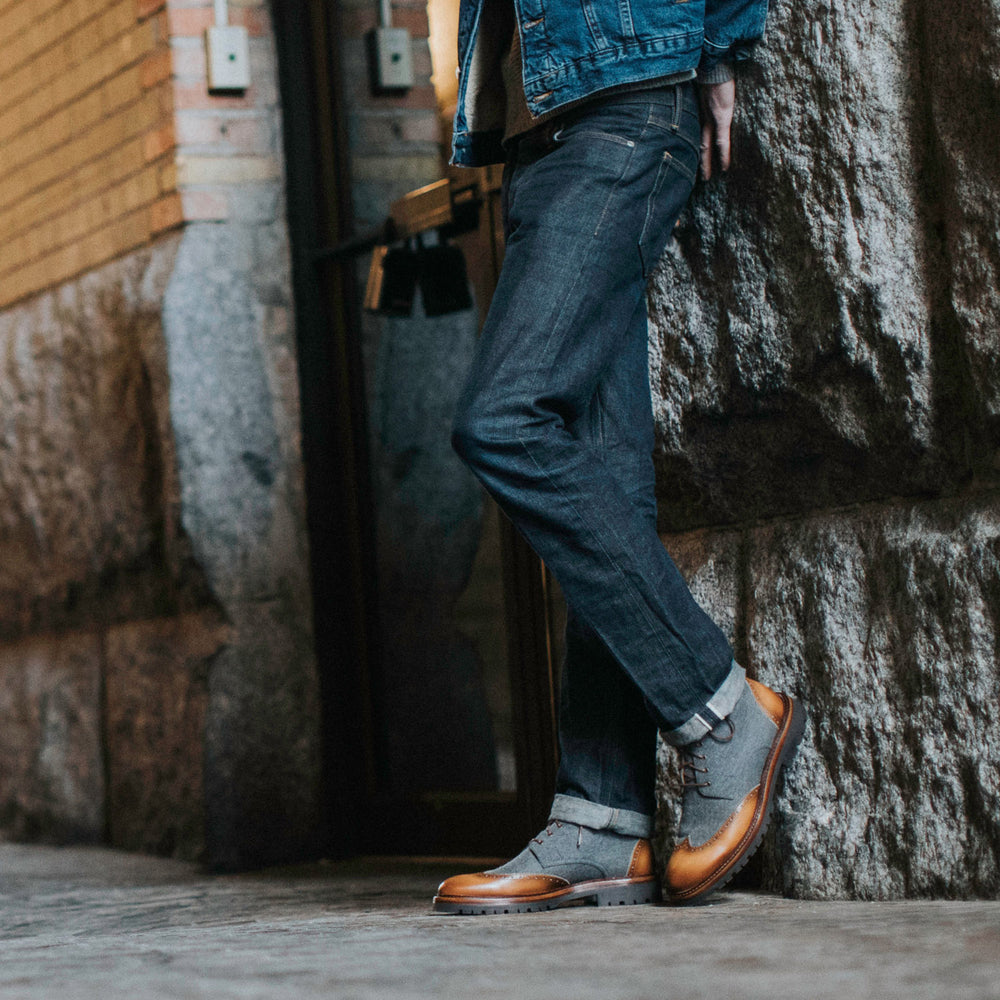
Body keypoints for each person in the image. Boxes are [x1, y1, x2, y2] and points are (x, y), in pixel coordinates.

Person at [433, 0, 805, 914]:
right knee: (603, 483)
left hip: (626, 106)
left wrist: (719, 52)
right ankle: (601, 816)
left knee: (503, 420)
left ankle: (721, 712)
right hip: (544, 133)